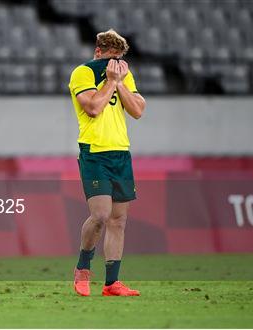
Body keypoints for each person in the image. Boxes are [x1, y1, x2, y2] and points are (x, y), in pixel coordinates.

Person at [68, 30, 146, 296]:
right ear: (97, 52)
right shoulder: (83, 73)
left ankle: (112, 283)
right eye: (108, 59)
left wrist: (121, 82)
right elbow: (93, 107)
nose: (111, 65)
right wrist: (111, 81)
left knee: (118, 220)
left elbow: (137, 110)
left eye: (117, 60)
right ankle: (82, 267)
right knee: (100, 215)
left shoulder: (124, 76)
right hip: (95, 152)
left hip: (120, 152)